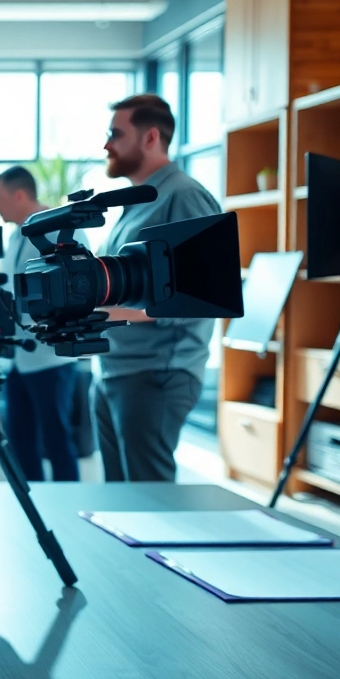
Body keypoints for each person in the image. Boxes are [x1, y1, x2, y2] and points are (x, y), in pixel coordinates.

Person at [95, 94, 223, 482]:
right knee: (119, 503)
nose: (106, 145)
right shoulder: (136, 201)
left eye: (115, 134)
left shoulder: (184, 196)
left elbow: (201, 295)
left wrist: (109, 314)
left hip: (155, 375)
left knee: (151, 502)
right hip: (116, 371)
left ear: (150, 138)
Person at [0, 166, 84, 482]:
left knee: (56, 440)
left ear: (19, 195)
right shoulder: (16, 235)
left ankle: (67, 508)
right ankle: (33, 504)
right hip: (19, 358)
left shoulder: (63, 228)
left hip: (51, 358)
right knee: (19, 439)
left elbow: (77, 286)